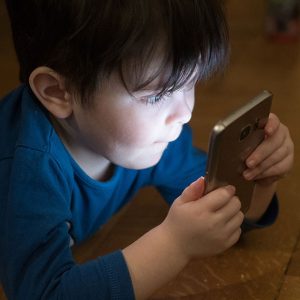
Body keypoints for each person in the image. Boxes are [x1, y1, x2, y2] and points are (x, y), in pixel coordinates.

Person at [0, 1, 294, 299]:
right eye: (157, 96)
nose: (185, 113)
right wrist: (173, 244)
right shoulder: (29, 173)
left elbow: (221, 215)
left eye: (190, 81)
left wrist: (259, 178)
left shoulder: (151, 137)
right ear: (58, 92)